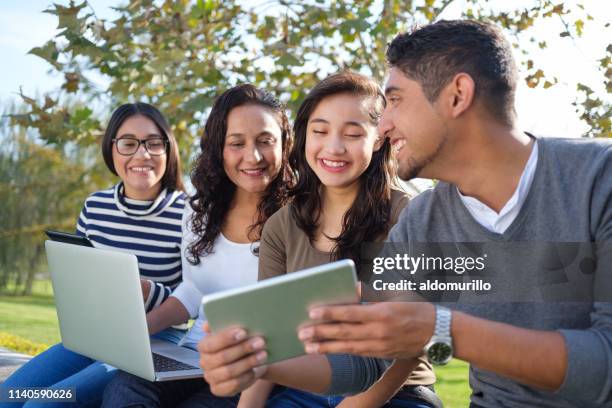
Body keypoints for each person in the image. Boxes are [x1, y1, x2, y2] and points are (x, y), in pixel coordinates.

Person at [197, 20, 612, 407]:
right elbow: (366, 364)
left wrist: (443, 328)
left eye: (394, 100)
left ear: (457, 95)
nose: (386, 123)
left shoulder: (598, 180)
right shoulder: (426, 222)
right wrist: (261, 362)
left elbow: (605, 363)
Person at [238, 71, 440, 408]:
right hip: (309, 386)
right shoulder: (280, 227)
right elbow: (271, 338)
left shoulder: (408, 216)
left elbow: (412, 342)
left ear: (379, 138)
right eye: (320, 131)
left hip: (394, 392)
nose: (333, 147)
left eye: (352, 133)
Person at [101, 84, 294, 407]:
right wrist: (138, 332)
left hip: (252, 368)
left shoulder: (299, 216)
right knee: (125, 388)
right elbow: (192, 291)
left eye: (265, 141)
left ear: (285, 144)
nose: (253, 156)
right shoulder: (199, 209)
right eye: (237, 143)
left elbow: (286, 324)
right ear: (219, 148)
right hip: (193, 355)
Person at [1, 103, 186, 408]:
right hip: (94, 338)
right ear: (111, 149)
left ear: (168, 149)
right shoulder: (95, 206)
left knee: (43, 404)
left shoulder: (189, 213)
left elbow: (196, 299)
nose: (142, 154)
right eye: (128, 143)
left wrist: (144, 289)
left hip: (155, 346)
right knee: (9, 397)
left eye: (154, 143)